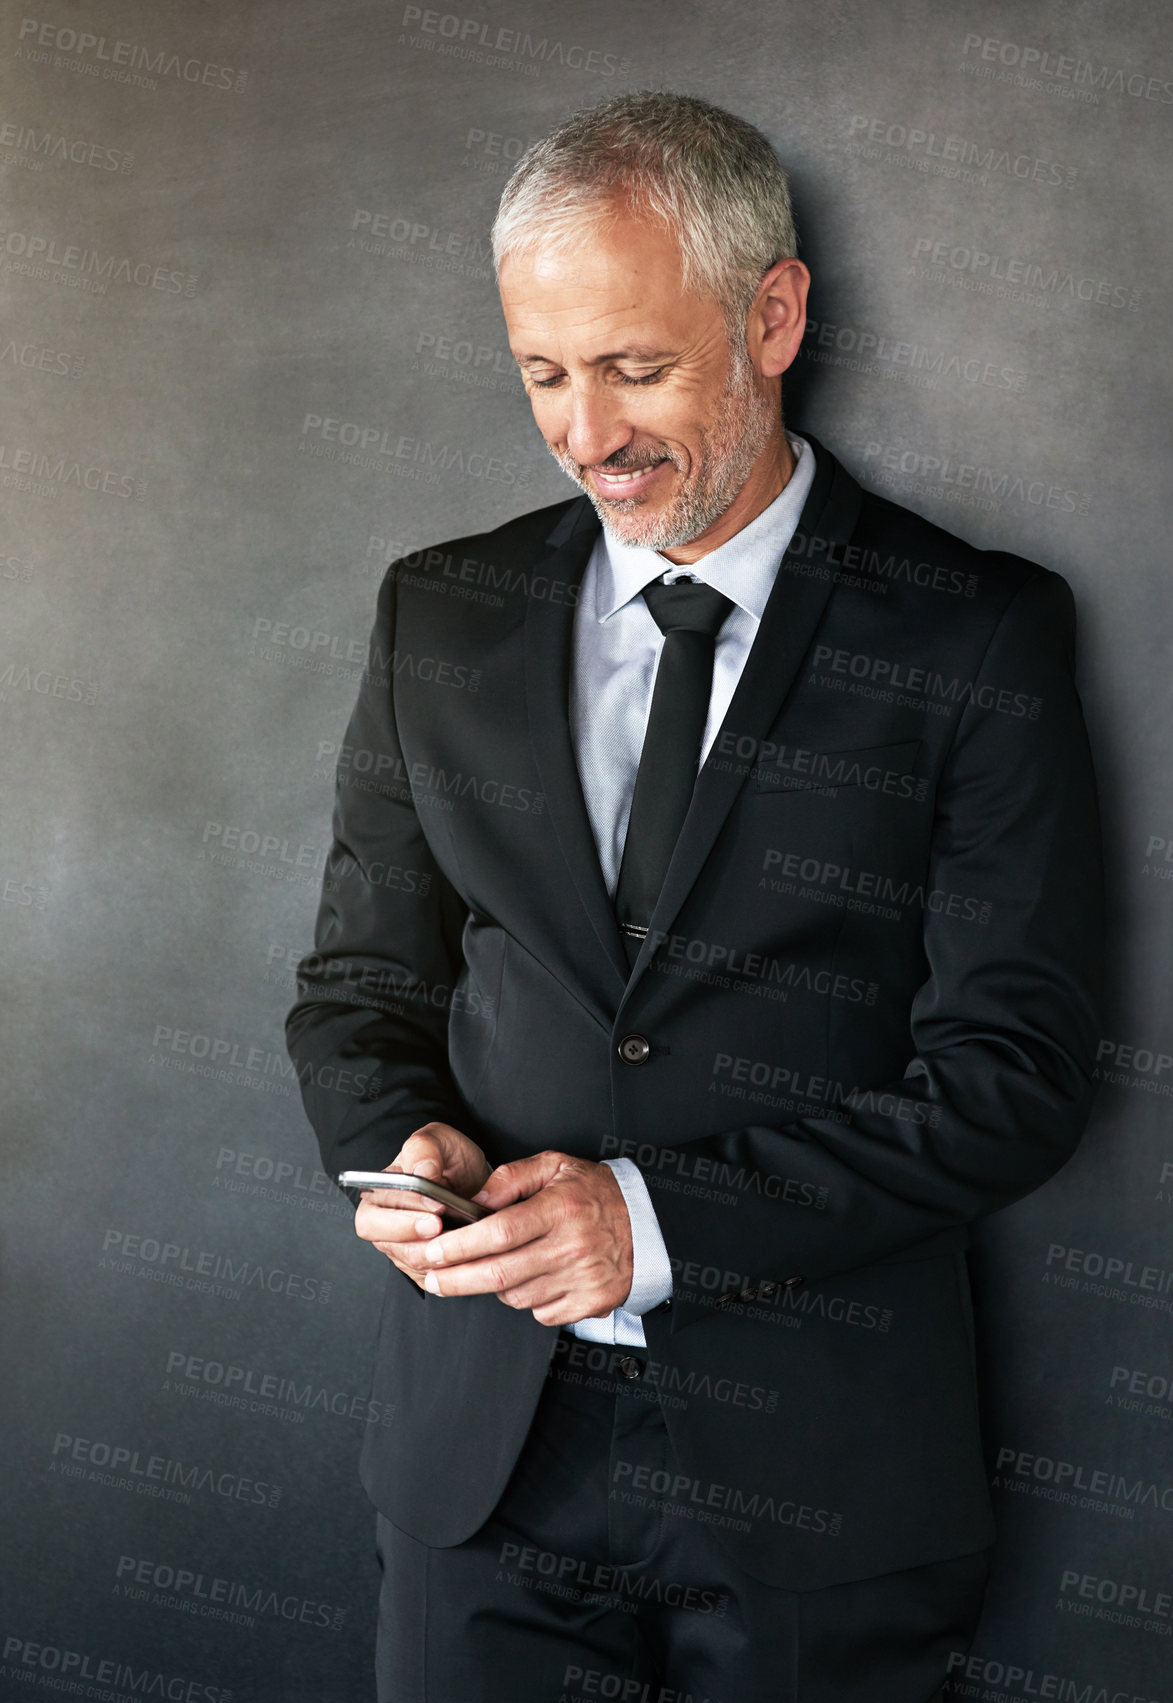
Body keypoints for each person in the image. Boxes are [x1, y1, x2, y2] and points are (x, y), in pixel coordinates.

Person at [286, 90, 1103, 1703]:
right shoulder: (436, 614)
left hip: (828, 1480)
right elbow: (358, 992)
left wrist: (649, 1227)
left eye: (635, 366)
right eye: (542, 374)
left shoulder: (976, 634)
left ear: (773, 314)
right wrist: (395, 1145)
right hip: (477, 1466)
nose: (586, 434)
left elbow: (1015, 1077)